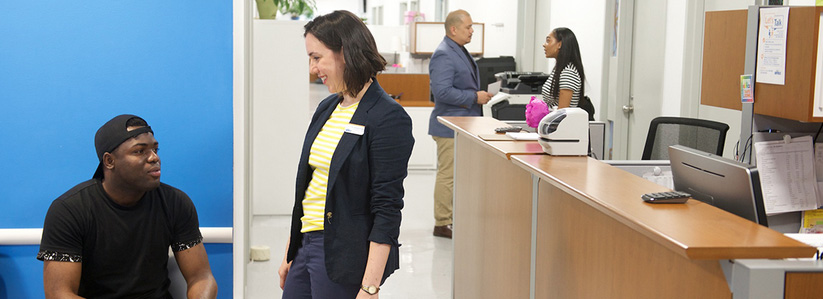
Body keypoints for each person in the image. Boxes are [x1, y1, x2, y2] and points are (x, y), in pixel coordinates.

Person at [278, 10, 414, 299]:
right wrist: (291, 251)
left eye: (317, 57)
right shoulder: (327, 108)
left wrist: (370, 286)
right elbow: (309, 188)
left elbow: (387, 209)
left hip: (344, 254)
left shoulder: (388, 117)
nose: (313, 68)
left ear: (345, 53)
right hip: (306, 245)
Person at [37, 114, 217, 298]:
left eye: (155, 149)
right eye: (139, 151)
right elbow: (59, 293)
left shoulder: (175, 202)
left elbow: (201, 278)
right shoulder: (70, 210)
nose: (154, 158)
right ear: (109, 161)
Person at [428, 9, 491, 239]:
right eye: (468, 27)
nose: (472, 30)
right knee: (448, 175)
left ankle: (452, 218)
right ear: (453, 29)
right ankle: (442, 223)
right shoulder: (444, 54)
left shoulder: (458, 50)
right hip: (448, 126)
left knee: (457, 175)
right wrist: (474, 97)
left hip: (462, 124)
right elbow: (441, 92)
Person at [541, 27, 586, 110]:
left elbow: (562, 112)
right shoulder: (559, 69)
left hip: (560, 122)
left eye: (548, 41)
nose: (544, 45)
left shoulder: (568, 72)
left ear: (559, 44)